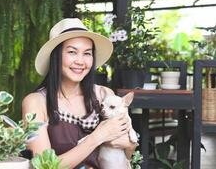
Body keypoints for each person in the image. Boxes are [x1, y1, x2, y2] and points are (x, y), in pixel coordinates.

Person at [22, 18, 137, 169]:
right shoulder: (36, 102)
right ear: (56, 56)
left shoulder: (104, 96)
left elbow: (125, 153)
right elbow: (44, 166)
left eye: (87, 53)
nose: (80, 61)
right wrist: (98, 137)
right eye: (72, 52)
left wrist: (129, 145)